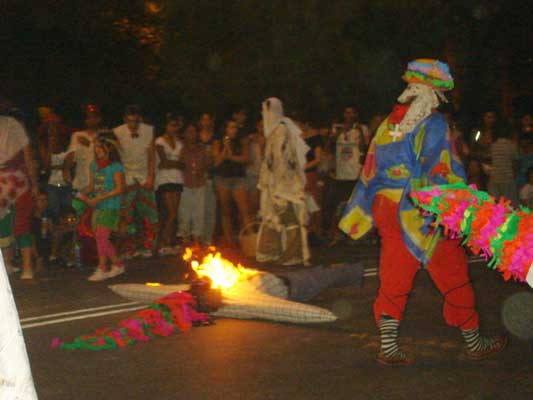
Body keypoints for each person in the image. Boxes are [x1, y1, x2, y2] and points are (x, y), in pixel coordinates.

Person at [339, 59, 506, 365]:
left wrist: (364, 207)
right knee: (451, 269)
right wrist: (461, 201)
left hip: (386, 206)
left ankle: (388, 345)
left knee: (394, 270)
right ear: (433, 94)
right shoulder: (433, 124)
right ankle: (474, 341)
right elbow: (440, 169)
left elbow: (370, 169)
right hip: (420, 207)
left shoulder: (386, 127)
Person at [256, 97, 310, 266]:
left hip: (284, 185)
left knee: (288, 217)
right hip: (276, 183)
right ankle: (272, 251)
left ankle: (293, 254)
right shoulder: (277, 131)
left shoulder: (281, 131)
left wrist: (277, 186)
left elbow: (282, 161)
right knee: (275, 217)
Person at [78, 132, 125, 281]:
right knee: (101, 238)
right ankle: (117, 264)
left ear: (109, 147)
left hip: (110, 206)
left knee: (101, 236)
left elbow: (119, 189)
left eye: (100, 146)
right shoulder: (94, 165)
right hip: (98, 206)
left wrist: (99, 198)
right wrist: (80, 193)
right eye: (95, 147)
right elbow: (92, 186)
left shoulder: (116, 166)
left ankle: (102, 268)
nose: (97, 150)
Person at [113, 105, 158, 258]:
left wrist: (151, 176)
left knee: (149, 213)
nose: (133, 125)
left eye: (136, 121)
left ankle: (148, 246)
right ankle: (128, 248)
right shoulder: (117, 132)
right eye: (130, 121)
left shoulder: (148, 130)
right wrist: (121, 180)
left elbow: (151, 155)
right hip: (127, 175)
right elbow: (116, 158)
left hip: (144, 175)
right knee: (127, 214)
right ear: (125, 120)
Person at [0, 104, 38, 279]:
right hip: (19, 182)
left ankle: (9, 265)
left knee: (5, 226)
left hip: (6, 184)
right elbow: (29, 159)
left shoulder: (14, 127)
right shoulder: (16, 128)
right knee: (20, 225)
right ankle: (26, 268)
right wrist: (35, 185)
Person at [327, 106, 369, 246]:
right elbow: (329, 147)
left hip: (355, 174)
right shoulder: (337, 129)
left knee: (355, 205)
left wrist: (358, 132)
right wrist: (337, 132)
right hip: (341, 174)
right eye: (347, 112)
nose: (349, 115)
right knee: (338, 205)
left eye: (352, 113)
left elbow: (366, 148)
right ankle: (337, 235)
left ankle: (356, 235)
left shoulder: (361, 129)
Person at [212, 120, 251, 246]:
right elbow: (216, 161)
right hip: (222, 177)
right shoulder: (218, 142)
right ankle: (229, 241)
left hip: (238, 177)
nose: (234, 130)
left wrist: (231, 157)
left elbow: (246, 158)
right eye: (231, 127)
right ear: (225, 129)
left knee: (244, 209)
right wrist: (225, 149)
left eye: (235, 128)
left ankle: (251, 238)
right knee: (225, 209)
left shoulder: (242, 141)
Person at [178, 123, 211, 246]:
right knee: (184, 212)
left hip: (199, 183)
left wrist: (201, 169)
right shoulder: (181, 148)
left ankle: (196, 239)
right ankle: (185, 239)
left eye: (193, 132)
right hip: (185, 183)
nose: (191, 135)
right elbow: (179, 164)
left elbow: (208, 164)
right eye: (189, 132)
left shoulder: (202, 148)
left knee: (199, 212)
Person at [155, 114, 184, 255]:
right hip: (164, 179)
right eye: (171, 125)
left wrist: (172, 163)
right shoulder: (159, 141)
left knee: (174, 212)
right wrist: (175, 163)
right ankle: (164, 241)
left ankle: (170, 241)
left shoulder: (179, 142)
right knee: (169, 212)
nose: (173, 128)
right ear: (166, 126)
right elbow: (163, 162)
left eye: (175, 125)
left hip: (177, 179)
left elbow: (183, 163)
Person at [64, 104, 104, 193]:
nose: (91, 120)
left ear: (99, 119)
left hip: (100, 182)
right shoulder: (77, 135)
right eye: (88, 118)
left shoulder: (104, 136)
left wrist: (90, 144)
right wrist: (66, 170)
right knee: (79, 205)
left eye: (94, 117)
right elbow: (71, 155)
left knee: (98, 204)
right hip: (81, 182)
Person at [488, 122, 519, 206]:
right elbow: (515, 163)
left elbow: (490, 159)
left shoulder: (493, 146)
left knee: (494, 204)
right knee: (509, 206)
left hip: (495, 178)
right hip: (508, 178)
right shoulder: (512, 145)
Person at [198, 116, 217, 246]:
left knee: (210, 209)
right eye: (203, 119)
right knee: (197, 209)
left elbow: (214, 158)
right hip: (196, 178)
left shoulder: (216, 139)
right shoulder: (195, 137)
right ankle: (196, 239)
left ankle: (208, 239)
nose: (206, 122)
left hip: (211, 176)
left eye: (208, 119)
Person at [245, 119, 265, 217]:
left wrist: (263, 146)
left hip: (265, 176)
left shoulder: (271, 139)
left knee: (264, 203)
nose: (262, 128)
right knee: (252, 202)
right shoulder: (251, 139)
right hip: (252, 174)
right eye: (260, 126)